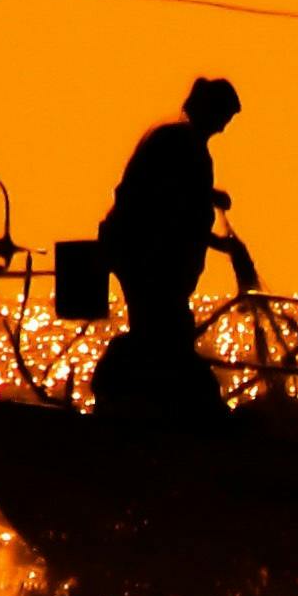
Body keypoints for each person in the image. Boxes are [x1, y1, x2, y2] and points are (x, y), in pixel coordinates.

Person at [93, 78, 247, 422]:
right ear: (210, 112)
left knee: (160, 330)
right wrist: (220, 243)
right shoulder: (182, 144)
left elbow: (172, 195)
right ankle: (156, 414)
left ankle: (143, 408)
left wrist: (209, 197)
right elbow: (168, 211)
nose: (223, 128)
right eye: (223, 118)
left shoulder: (176, 141)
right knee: (165, 334)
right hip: (147, 261)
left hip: (142, 256)